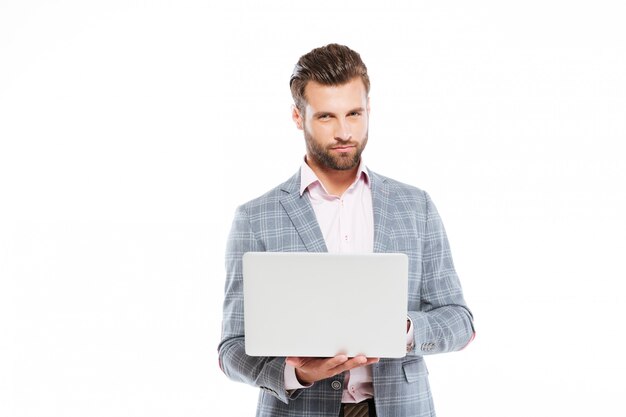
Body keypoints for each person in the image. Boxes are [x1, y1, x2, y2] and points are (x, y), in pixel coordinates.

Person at [218, 43, 475, 417]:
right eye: (326, 117)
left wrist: (400, 329)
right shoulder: (255, 217)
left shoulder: (415, 205)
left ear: (369, 109)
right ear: (297, 116)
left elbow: (459, 321)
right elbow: (231, 348)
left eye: (354, 113)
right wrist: (296, 374)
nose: (344, 131)